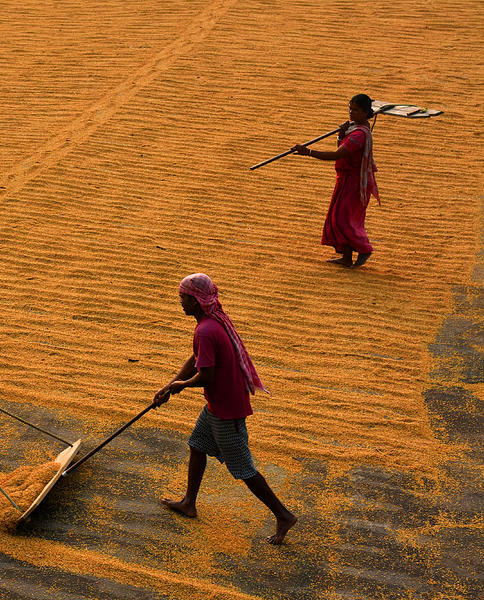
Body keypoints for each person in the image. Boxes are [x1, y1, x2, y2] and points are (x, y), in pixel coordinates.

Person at [153, 273, 296, 544]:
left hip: (226, 410)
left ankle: (283, 515)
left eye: (183, 297)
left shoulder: (206, 330)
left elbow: (207, 375)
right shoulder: (211, 321)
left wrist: (179, 387)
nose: (180, 301)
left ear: (195, 301)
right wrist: (169, 384)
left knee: (243, 469)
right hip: (217, 404)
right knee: (197, 445)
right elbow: (196, 358)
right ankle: (189, 503)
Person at [292, 93, 380, 268]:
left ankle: (364, 248)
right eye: (350, 109)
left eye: (355, 110)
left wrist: (308, 152)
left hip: (354, 182)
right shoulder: (354, 130)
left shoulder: (359, 134)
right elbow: (341, 148)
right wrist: (341, 135)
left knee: (344, 218)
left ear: (364, 113)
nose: (351, 113)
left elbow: (337, 155)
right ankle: (346, 258)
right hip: (346, 178)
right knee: (339, 216)